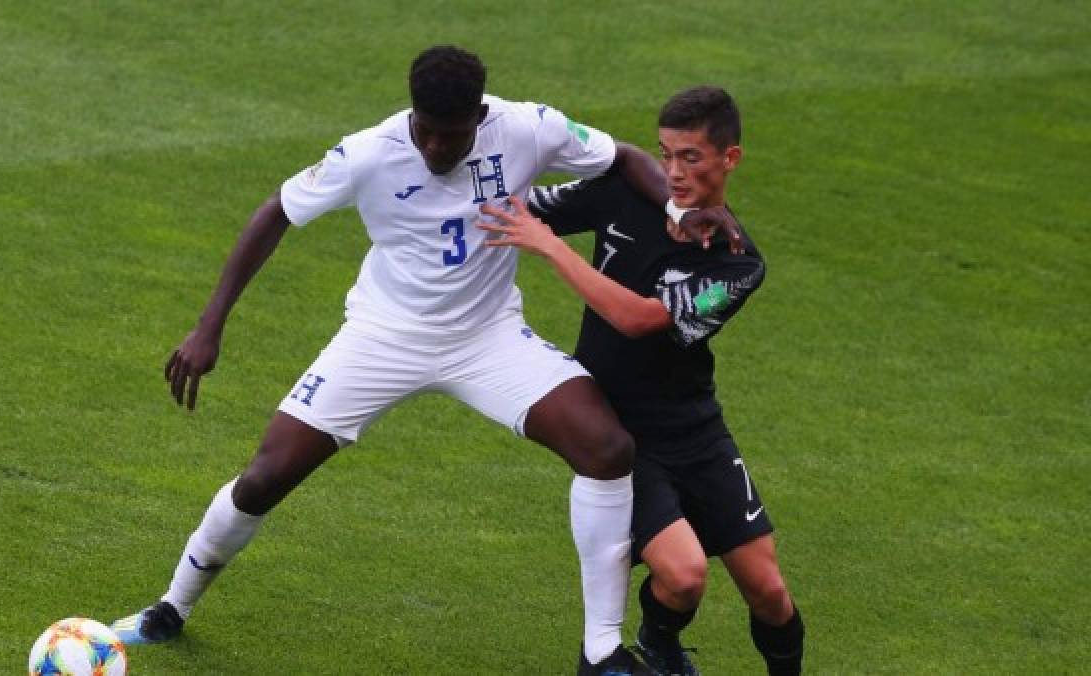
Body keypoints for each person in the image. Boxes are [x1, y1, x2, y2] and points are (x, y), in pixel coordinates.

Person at [109, 45, 699, 674]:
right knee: (266, 476)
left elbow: (623, 158)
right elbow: (276, 212)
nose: (436, 149)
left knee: (608, 449)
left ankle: (602, 650)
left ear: (479, 114)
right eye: (426, 131)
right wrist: (209, 326)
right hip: (383, 336)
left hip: (487, 337)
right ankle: (170, 607)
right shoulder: (369, 151)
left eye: (452, 136)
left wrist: (685, 211)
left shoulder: (525, 127)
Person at [478, 86, 805, 675]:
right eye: (665, 154)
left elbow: (637, 320)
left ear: (729, 159)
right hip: (618, 432)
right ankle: (657, 644)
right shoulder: (624, 192)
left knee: (771, 593)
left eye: (691, 158)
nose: (674, 172)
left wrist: (551, 250)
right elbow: (523, 209)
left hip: (696, 431)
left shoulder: (736, 264)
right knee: (684, 575)